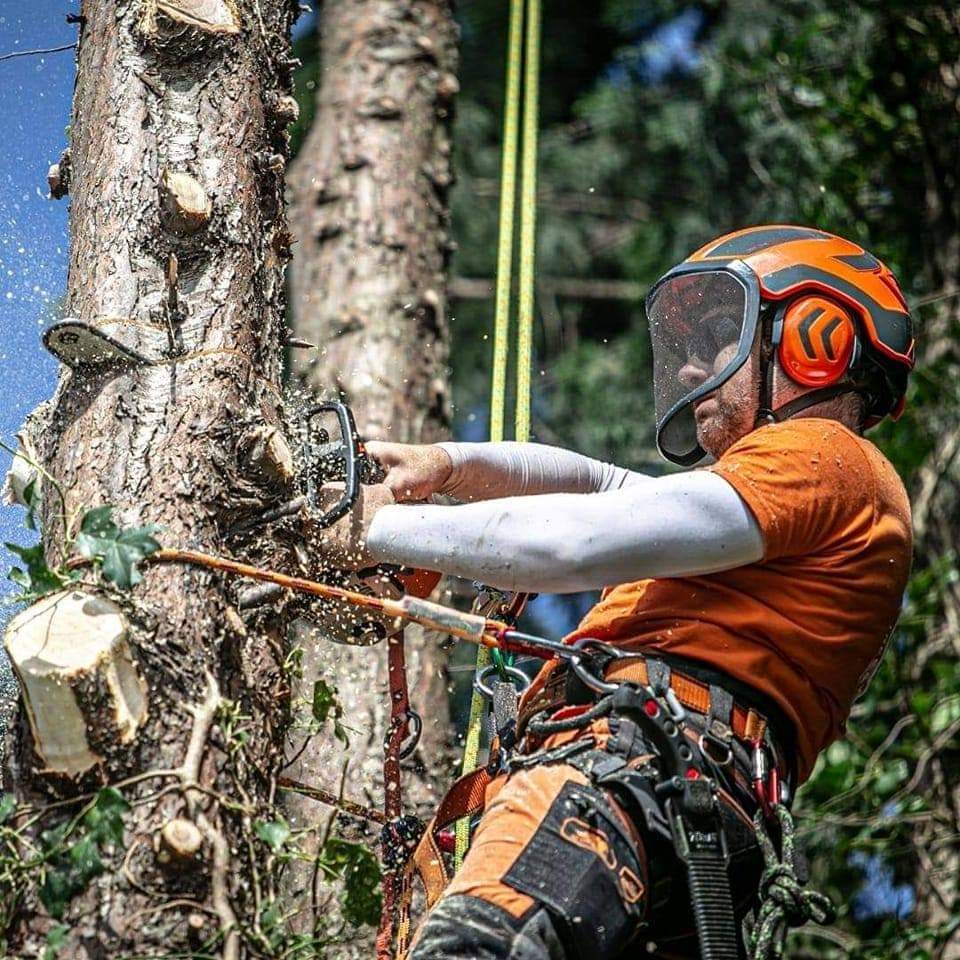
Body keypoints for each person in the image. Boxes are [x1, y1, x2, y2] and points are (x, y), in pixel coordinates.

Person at [312, 225, 915, 959]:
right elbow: (599, 484)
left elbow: (569, 543)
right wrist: (444, 466)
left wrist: (374, 530)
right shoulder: (780, 516)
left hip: (627, 771)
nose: (693, 364)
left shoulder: (825, 456)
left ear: (814, 341)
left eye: (721, 334)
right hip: (689, 820)